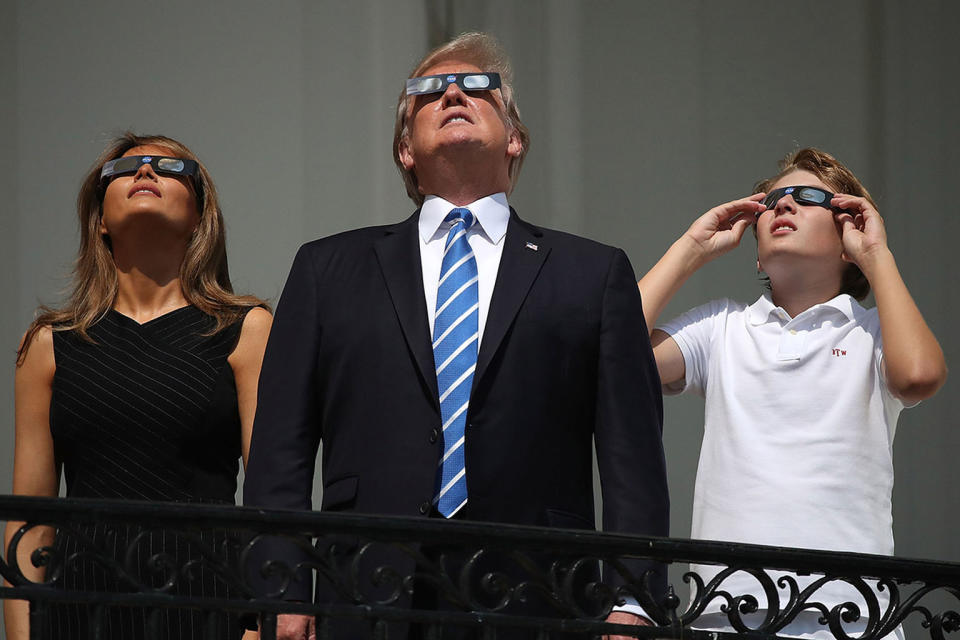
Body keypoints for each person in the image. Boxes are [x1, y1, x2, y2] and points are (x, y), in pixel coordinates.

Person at [243, 32, 669, 639]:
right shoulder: (327, 269)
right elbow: (280, 448)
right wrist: (282, 590)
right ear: (405, 150)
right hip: (366, 592)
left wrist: (632, 601)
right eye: (427, 90)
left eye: (477, 86)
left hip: (538, 594)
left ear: (515, 137)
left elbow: (633, 457)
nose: (452, 93)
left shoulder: (593, 273)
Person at [635, 147, 947, 638]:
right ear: (756, 249)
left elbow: (919, 376)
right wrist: (690, 249)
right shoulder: (722, 326)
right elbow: (615, 357)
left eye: (807, 197)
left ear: (848, 239)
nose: (783, 205)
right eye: (772, 201)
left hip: (851, 613)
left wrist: (877, 255)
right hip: (726, 610)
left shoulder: (873, 332)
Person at [4, 133, 272, 640]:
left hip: (206, 599)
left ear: (199, 215)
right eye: (125, 168)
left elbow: (269, 503)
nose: (145, 172)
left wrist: (260, 624)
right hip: (82, 603)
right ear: (100, 218)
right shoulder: (48, 344)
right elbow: (28, 522)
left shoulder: (246, 329)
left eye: (167, 168)